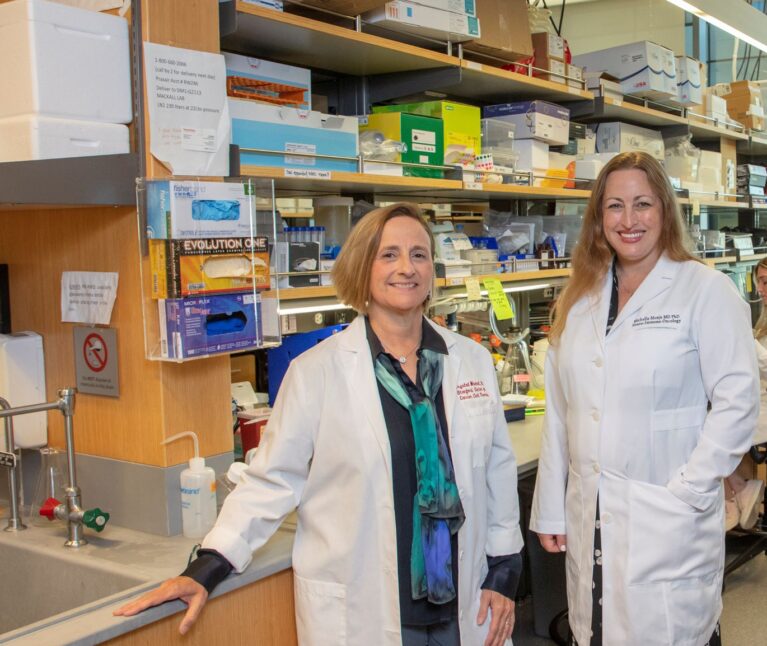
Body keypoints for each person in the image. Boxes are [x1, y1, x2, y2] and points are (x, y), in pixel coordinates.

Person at [115, 203, 524, 646]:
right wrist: (208, 567)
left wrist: (503, 572)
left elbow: (496, 471)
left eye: (419, 254)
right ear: (361, 267)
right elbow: (272, 481)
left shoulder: (469, 360)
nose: (406, 268)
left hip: (463, 602)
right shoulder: (316, 373)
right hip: (362, 608)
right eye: (388, 255)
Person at [530, 151, 759, 646]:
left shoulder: (705, 291)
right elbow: (561, 414)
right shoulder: (579, 298)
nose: (628, 220)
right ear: (598, 218)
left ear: (664, 211)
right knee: (594, 628)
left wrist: (688, 491)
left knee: (669, 634)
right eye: (614, 206)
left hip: (667, 514)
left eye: (642, 204)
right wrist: (551, 507)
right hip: (590, 513)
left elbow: (738, 403)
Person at [723, 258, 767, 531]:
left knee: (716, 429)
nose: (762, 288)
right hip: (756, 397)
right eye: (760, 281)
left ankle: (733, 498)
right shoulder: (762, 317)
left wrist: (744, 341)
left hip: (764, 406)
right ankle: (738, 493)